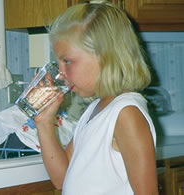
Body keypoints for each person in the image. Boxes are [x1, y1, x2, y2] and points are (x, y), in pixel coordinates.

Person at [34, 0, 159, 194]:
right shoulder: (96, 109)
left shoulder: (126, 113)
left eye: (67, 61)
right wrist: (44, 122)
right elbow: (61, 179)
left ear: (104, 56)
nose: (60, 73)